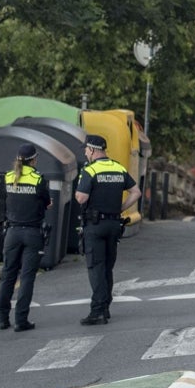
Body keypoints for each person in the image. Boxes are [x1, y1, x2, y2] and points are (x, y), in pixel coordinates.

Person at [75, 133, 140, 325]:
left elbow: (81, 198)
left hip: (95, 225)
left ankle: (97, 311)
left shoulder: (90, 170)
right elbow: (136, 192)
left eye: (86, 149)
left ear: (93, 150)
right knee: (107, 268)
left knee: (96, 267)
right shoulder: (118, 168)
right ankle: (105, 307)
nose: (86, 153)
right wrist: (121, 207)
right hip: (114, 224)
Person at [0, 143, 52, 332]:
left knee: (8, 275)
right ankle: (21, 320)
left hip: (11, 233)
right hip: (32, 233)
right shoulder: (38, 179)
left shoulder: (8, 177)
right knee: (27, 277)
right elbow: (47, 202)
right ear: (34, 159)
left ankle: (2, 318)